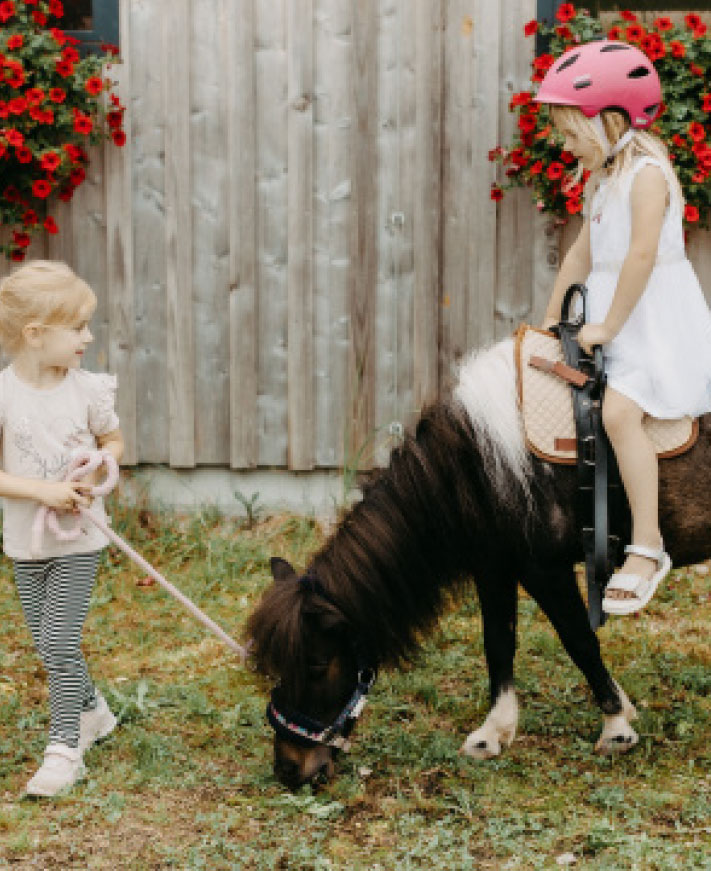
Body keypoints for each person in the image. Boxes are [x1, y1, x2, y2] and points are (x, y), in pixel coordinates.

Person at [534, 40, 711, 616]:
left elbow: (640, 257)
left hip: (651, 323)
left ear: (608, 120)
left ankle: (648, 546)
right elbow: (580, 258)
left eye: (570, 133)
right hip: (615, 318)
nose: (564, 145)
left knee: (618, 413)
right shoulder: (604, 180)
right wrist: (549, 322)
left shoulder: (648, 176)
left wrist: (608, 325)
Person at [0, 260, 124, 796]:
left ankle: (65, 748)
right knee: (49, 645)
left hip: (79, 540)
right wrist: (42, 491)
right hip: (26, 542)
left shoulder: (87, 391)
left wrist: (98, 467)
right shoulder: (4, 395)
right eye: (77, 327)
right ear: (35, 334)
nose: (88, 337)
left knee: (58, 641)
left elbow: (113, 441)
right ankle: (92, 710)